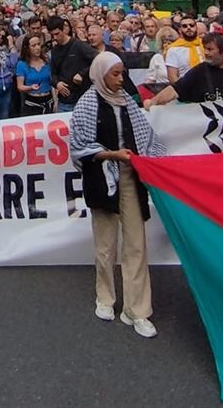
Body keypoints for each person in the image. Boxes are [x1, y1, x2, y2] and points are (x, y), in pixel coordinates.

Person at [70, 52, 166, 339]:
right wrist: (112, 155)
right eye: (115, 74)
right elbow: (79, 147)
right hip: (103, 179)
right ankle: (105, 297)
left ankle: (137, 310)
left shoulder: (127, 102)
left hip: (130, 178)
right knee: (105, 243)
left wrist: (151, 162)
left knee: (136, 242)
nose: (121, 79)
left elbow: (147, 137)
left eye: (122, 73)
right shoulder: (87, 104)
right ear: (101, 74)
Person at [147, 32, 223, 118]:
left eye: (210, 49)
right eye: (205, 49)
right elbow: (174, 90)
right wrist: (153, 102)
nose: (206, 53)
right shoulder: (199, 71)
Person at [47, 16, 96, 113]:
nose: (55, 38)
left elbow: (98, 59)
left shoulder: (79, 45)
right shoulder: (55, 51)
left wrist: (82, 74)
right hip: (64, 101)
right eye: (52, 35)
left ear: (64, 30)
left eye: (57, 34)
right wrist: (57, 83)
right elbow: (52, 73)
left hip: (82, 99)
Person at [15, 33, 52, 115]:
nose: (37, 48)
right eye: (33, 46)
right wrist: (30, 87)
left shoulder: (47, 61)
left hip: (48, 100)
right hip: (32, 102)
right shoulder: (22, 64)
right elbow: (20, 86)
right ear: (27, 48)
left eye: (39, 44)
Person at [165, 17, 205, 82]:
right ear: (180, 30)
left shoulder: (204, 44)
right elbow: (172, 76)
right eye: (184, 26)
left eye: (191, 25)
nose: (188, 28)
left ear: (196, 28)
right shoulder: (173, 49)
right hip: (187, 87)